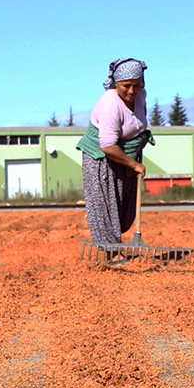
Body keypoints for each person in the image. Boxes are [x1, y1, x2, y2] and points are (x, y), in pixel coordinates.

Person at [76, 58, 154, 248]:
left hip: (125, 156)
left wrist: (139, 143)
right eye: (126, 85)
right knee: (105, 208)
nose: (131, 91)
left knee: (124, 211)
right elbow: (108, 146)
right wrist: (135, 164)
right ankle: (111, 252)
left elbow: (137, 123)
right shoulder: (110, 104)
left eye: (136, 85)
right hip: (102, 158)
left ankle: (115, 246)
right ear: (115, 83)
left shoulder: (141, 96)